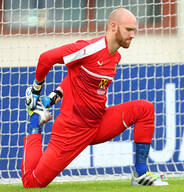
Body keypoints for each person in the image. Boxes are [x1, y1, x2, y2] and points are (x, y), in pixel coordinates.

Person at [22, 8, 168, 188]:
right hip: (72, 131)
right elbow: (46, 58)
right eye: (129, 29)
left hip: (98, 124)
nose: (133, 35)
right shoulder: (89, 49)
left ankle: (140, 173)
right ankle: (34, 122)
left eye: (134, 30)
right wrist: (37, 89)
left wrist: (55, 94)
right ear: (114, 27)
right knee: (32, 183)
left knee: (144, 109)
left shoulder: (116, 57)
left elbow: (77, 76)